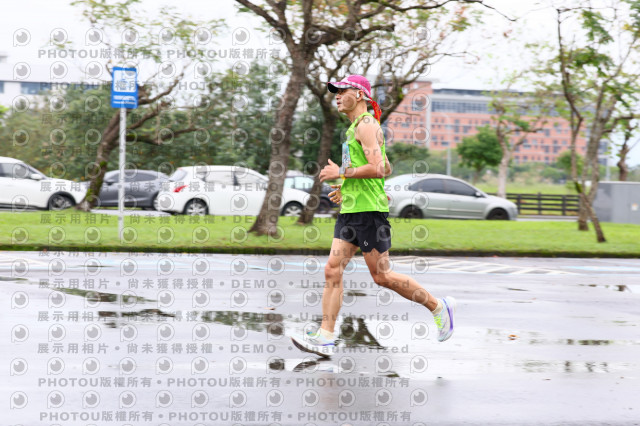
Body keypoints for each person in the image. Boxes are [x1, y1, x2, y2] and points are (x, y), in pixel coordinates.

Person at [290, 75, 456, 358]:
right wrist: (346, 186)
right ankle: (326, 336)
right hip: (352, 210)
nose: (337, 96)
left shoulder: (366, 124)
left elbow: (377, 168)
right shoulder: (355, 128)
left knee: (382, 276)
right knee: (332, 269)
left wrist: (341, 173)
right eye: (335, 92)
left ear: (360, 94)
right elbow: (386, 167)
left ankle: (439, 307)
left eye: (342, 91)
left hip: (369, 213)